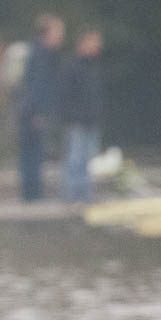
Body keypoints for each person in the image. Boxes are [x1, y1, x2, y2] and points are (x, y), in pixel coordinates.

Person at [16, 14, 64, 203]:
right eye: (58, 32)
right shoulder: (42, 54)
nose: (60, 37)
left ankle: (30, 195)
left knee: (30, 154)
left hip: (27, 110)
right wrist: (38, 112)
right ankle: (33, 196)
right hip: (33, 112)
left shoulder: (35, 51)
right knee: (33, 154)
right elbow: (38, 86)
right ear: (47, 34)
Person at [57, 27, 103, 206]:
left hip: (92, 120)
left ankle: (85, 195)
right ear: (83, 44)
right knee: (75, 159)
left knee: (88, 159)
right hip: (76, 121)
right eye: (94, 42)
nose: (97, 46)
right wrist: (70, 117)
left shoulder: (94, 66)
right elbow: (65, 95)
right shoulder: (71, 66)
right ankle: (72, 196)